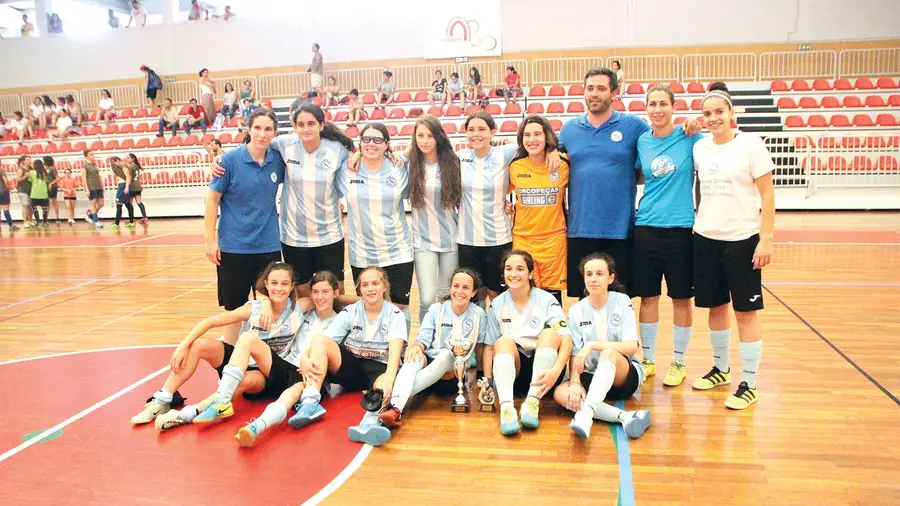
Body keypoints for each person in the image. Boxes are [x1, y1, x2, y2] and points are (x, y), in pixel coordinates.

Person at [560, 67, 701, 298]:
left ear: (614, 93)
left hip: (620, 230)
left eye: (602, 89)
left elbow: (663, 137)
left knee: (621, 299)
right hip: (580, 229)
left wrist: (689, 126)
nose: (595, 94)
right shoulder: (569, 130)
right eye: (590, 88)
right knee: (584, 300)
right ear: (583, 92)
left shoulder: (634, 127)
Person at [131, 262, 299, 428]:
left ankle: (189, 413)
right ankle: (162, 399)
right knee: (198, 344)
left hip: (266, 373)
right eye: (274, 283)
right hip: (240, 360)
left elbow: (322, 298)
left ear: (292, 287)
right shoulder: (253, 309)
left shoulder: (298, 308)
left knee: (245, 379)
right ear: (266, 285)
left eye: (285, 283)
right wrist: (183, 345)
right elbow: (209, 322)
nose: (279, 288)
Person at [691, 85, 775, 410]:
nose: (714, 119)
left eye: (719, 112)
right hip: (706, 238)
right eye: (707, 114)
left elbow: (767, 195)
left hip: (743, 240)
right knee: (716, 307)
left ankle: (750, 382)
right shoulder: (700, 148)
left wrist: (765, 238)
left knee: (745, 313)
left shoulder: (751, 146)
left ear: (731, 114)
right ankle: (721, 369)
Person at [289, 267, 406, 447]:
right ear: (359, 289)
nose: (370, 289)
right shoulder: (350, 312)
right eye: (365, 285)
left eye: (375, 283)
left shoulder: (395, 314)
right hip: (353, 368)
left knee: (385, 382)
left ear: (385, 287)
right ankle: (310, 403)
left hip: (380, 368)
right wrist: (305, 357)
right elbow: (324, 341)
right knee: (320, 339)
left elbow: (395, 355)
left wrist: (390, 379)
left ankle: (369, 423)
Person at [633, 84, 703, 385]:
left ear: (673, 108)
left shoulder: (691, 138)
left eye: (663, 104)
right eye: (652, 104)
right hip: (646, 226)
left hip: (681, 229)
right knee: (648, 297)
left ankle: (678, 361)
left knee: (681, 298)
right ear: (646, 109)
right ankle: (648, 359)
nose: (657, 110)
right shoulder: (642, 142)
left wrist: (695, 123)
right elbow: (638, 173)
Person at [457, 112, 559, 303]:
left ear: (493, 132)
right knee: (474, 296)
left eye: (481, 129)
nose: (476, 134)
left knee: (498, 296)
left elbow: (536, 142)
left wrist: (553, 149)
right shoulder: (460, 157)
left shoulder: (506, 152)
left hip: (499, 239)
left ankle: (502, 332)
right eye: (471, 129)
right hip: (467, 241)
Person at [231, 271, 342, 447]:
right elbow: (264, 292)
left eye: (326, 292)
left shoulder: (341, 321)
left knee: (291, 393)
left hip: (311, 376)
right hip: (286, 367)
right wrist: (265, 301)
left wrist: (306, 359)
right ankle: (203, 408)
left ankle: (256, 426)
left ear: (336, 293)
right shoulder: (305, 312)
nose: (320, 297)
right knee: (246, 377)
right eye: (315, 292)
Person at [205, 109, 285, 345]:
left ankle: (266, 359)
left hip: (268, 246)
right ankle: (229, 361)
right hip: (233, 248)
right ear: (248, 129)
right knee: (234, 309)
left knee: (272, 304)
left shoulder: (277, 160)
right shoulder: (228, 161)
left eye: (268, 129)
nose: (262, 133)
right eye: (258, 128)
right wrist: (210, 240)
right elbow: (212, 200)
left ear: (274, 133)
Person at [555, 253, 652, 439]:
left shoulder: (622, 301)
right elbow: (575, 353)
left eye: (599, 274)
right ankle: (625, 417)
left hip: (622, 376)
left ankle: (586, 414)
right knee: (561, 393)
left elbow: (632, 346)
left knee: (608, 353)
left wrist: (593, 345)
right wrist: (575, 382)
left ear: (611, 278)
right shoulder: (576, 310)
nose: (593, 279)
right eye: (589, 274)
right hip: (591, 375)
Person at [379, 269, 487, 430]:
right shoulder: (437, 309)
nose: (459, 291)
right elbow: (423, 337)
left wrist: (481, 374)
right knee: (413, 356)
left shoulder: (479, 314)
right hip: (427, 365)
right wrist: (417, 346)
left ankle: (393, 397)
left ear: (474, 292)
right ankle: (395, 410)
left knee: (447, 353)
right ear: (450, 288)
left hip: (451, 375)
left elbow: (480, 346)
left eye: (465, 287)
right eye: (456, 286)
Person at [481, 250, 572, 436]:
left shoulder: (546, 300)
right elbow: (490, 347)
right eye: (508, 269)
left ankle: (532, 403)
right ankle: (507, 410)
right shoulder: (497, 304)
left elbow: (567, 339)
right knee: (503, 341)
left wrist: (556, 372)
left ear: (530, 274)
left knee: (550, 334)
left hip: (546, 376)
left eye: (520, 269)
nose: (513, 274)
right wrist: (488, 383)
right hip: (514, 373)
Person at [337, 123, 414, 331]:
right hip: (362, 254)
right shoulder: (346, 170)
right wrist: (354, 155)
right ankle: (373, 353)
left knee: (399, 307)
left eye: (378, 140)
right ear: (359, 143)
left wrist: (403, 155)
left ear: (387, 145)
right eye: (366, 139)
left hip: (398, 252)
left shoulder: (398, 168)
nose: (371, 144)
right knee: (369, 306)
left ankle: (401, 356)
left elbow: (417, 150)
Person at [508, 115, 570, 303]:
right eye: (527, 135)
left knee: (552, 297)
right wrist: (506, 206)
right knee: (525, 293)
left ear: (547, 136)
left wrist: (555, 149)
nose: (532, 139)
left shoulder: (562, 163)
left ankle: (553, 333)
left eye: (537, 134)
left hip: (554, 239)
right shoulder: (515, 166)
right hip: (523, 240)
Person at [406, 115, 461, 322]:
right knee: (428, 299)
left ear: (438, 137)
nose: (425, 140)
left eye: (430, 135)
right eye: (420, 135)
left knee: (447, 296)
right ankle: (423, 345)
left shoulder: (453, 163)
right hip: (423, 242)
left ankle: (446, 342)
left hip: (451, 240)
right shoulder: (408, 164)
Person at [20, 159, 50, 228]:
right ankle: (45, 222)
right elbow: (48, 180)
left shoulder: (31, 172)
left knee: (34, 208)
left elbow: (29, 179)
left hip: (34, 194)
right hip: (44, 193)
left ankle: (38, 221)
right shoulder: (44, 172)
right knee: (44, 209)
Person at [108, 156, 135, 230]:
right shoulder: (119, 169)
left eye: (114, 163)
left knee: (119, 204)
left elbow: (128, 177)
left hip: (123, 185)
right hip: (121, 185)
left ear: (117, 161)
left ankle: (117, 223)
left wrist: (126, 187)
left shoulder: (124, 167)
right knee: (128, 204)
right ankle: (131, 222)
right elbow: (115, 175)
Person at [81, 150, 104, 228]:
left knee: (101, 204)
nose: (93, 156)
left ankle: (90, 216)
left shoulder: (94, 164)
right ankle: (96, 221)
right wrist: (87, 189)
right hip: (91, 187)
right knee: (93, 205)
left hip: (98, 186)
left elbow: (99, 175)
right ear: (87, 156)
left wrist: (102, 185)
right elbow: (83, 178)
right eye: (91, 155)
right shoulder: (85, 165)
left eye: (93, 154)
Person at [126, 153, 149, 224]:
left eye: (128, 158)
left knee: (129, 203)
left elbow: (128, 176)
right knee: (139, 202)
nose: (127, 159)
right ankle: (145, 217)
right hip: (137, 186)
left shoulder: (130, 166)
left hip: (132, 186)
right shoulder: (136, 166)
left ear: (133, 159)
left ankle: (131, 218)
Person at [16, 156, 33, 228]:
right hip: (22, 190)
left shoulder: (31, 169)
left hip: (30, 190)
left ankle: (30, 221)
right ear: (23, 161)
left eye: (30, 159)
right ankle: (25, 221)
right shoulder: (21, 169)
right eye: (27, 160)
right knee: (25, 206)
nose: (29, 161)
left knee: (30, 206)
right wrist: (25, 177)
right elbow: (17, 179)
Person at [42, 156, 60, 223]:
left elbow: (57, 178)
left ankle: (57, 218)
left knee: (54, 202)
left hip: (52, 187)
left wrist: (51, 183)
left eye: (43, 160)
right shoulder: (43, 169)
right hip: (44, 187)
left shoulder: (52, 168)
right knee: (46, 203)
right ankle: (45, 219)